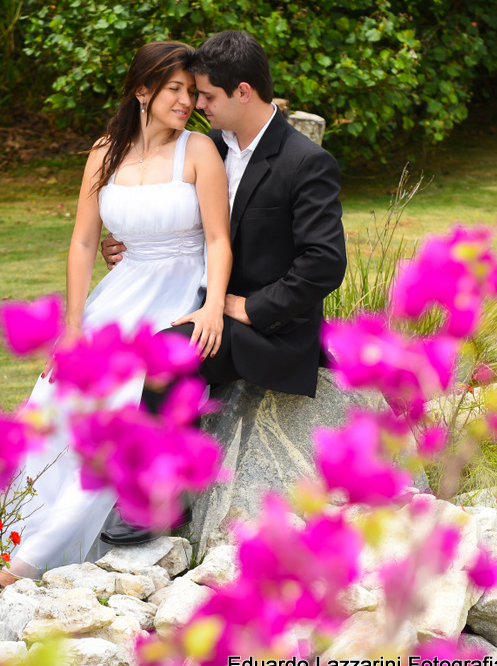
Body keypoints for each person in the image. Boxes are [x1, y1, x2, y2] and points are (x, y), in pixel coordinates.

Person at [0, 41, 232, 592]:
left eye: (192, 92)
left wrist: (212, 305)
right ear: (142, 90)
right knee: (53, 410)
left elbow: (218, 239)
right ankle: (2, 533)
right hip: (117, 295)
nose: (186, 101)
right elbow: (82, 242)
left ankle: (24, 564)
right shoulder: (104, 153)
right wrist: (72, 327)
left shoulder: (199, 153)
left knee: (113, 419)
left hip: (173, 300)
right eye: (174, 90)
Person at [99, 30, 348, 547]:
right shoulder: (208, 147)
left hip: (270, 330)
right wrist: (127, 247)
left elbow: (324, 265)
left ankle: (159, 501)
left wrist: (247, 308)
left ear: (243, 92)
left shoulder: (305, 162)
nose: (195, 104)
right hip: (196, 302)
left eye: (206, 95)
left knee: (163, 355)